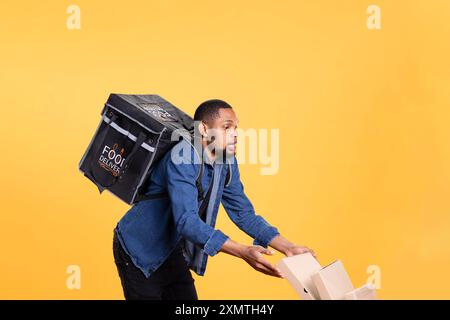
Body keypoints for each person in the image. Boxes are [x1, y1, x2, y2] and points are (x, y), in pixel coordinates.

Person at [113, 99, 316, 299]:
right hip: (139, 247)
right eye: (227, 127)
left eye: (236, 127)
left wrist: (288, 247)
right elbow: (187, 221)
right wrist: (242, 251)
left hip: (170, 250)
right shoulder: (182, 157)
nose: (235, 133)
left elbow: (244, 214)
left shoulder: (226, 161)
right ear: (203, 129)